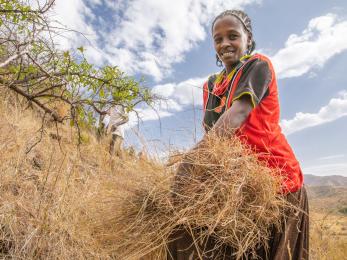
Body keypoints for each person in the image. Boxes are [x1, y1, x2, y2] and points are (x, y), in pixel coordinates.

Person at [167, 10, 309, 260]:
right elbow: (215, 135)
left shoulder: (258, 66)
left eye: (232, 36)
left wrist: (191, 162)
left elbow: (238, 113)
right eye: (218, 39)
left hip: (277, 182)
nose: (224, 44)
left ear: (248, 39)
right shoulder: (211, 85)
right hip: (237, 187)